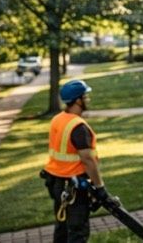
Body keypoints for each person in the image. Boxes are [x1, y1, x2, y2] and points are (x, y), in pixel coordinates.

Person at [41, 79, 114, 243]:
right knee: (77, 231)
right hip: (73, 187)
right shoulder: (78, 127)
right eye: (85, 96)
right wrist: (100, 188)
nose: (88, 99)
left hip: (56, 182)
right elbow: (88, 160)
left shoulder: (58, 119)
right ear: (78, 100)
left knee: (62, 228)